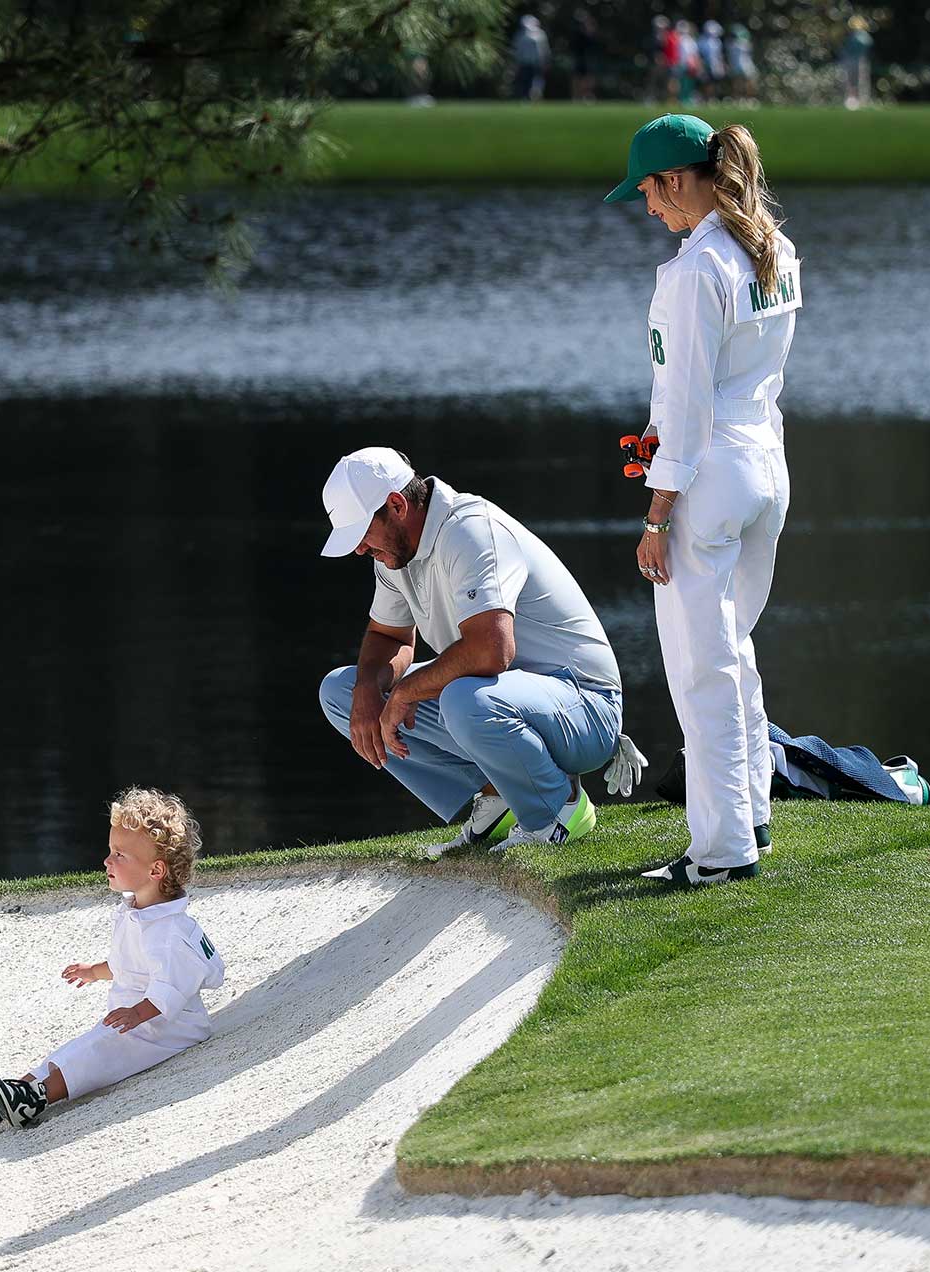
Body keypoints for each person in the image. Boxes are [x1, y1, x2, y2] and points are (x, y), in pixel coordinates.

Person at [602, 115, 801, 887]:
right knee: (734, 654)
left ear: (678, 180)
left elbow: (685, 407)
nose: (648, 208)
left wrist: (657, 516)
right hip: (765, 471)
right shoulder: (772, 248)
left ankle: (721, 853)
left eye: (648, 192)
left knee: (700, 669)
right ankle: (750, 815)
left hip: (710, 480)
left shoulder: (696, 272)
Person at [316, 447, 639, 860]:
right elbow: (388, 636)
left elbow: (492, 650)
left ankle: (557, 808)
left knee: (463, 698)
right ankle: (499, 794)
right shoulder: (394, 553)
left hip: (586, 707)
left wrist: (405, 691)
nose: (360, 549)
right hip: (506, 700)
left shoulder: (470, 530)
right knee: (340, 692)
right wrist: (368, 687)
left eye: (362, 532)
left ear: (396, 505)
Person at [0, 787, 225, 1128]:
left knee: (95, 1056)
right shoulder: (137, 911)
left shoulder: (169, 933)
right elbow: (131, 966)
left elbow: (171, 988)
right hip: (133, 1021)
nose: (107, 861)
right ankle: (5, 1095)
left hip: (166, 1029)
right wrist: (96, 971)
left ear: (155, 871)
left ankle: (32, 1099)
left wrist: (138, 1012)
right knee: (69, 1053)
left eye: (120, 855)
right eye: (110, 851)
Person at [510, 14, 550, 103]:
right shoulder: (520, 35)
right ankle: (527, 98)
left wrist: (545, 61)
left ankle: (534, 98)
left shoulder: (540, 34)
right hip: (525, 63)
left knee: (536, 81)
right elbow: (517, 51)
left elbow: (545, 50)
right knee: (526, 82)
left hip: (536, 63)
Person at [840, 15, 874, 110]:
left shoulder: (863, 35)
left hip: (860, 60)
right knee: (850, 81)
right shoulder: (851, 36)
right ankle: (850, 100)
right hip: (850, 60)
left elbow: (867, 43)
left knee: (862, 81)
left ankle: (863, 100)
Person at [726, 24, 758, 103]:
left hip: (735, 66)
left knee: (737, 83)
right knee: (748, 82)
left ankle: (738, 99)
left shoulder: (729, 44)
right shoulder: (742, 43)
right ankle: (748, 99)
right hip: (745, 65)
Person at [647, 16, 676, 103]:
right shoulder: (654, 37)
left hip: (667, 63)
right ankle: (652, 97)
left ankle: (666, 99)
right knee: (654, 81)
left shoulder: (668, 37)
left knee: (667, 82)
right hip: (657, 63)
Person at [697, 20, 727, 101]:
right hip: (706, 64)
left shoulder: (717, 41)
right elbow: (700, 54)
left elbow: (719, 54)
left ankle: (712, 98)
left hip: (715, 65)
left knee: (714, 82)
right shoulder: (702, 40)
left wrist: (721, 64)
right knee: (706, 82)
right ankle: (706, 98)